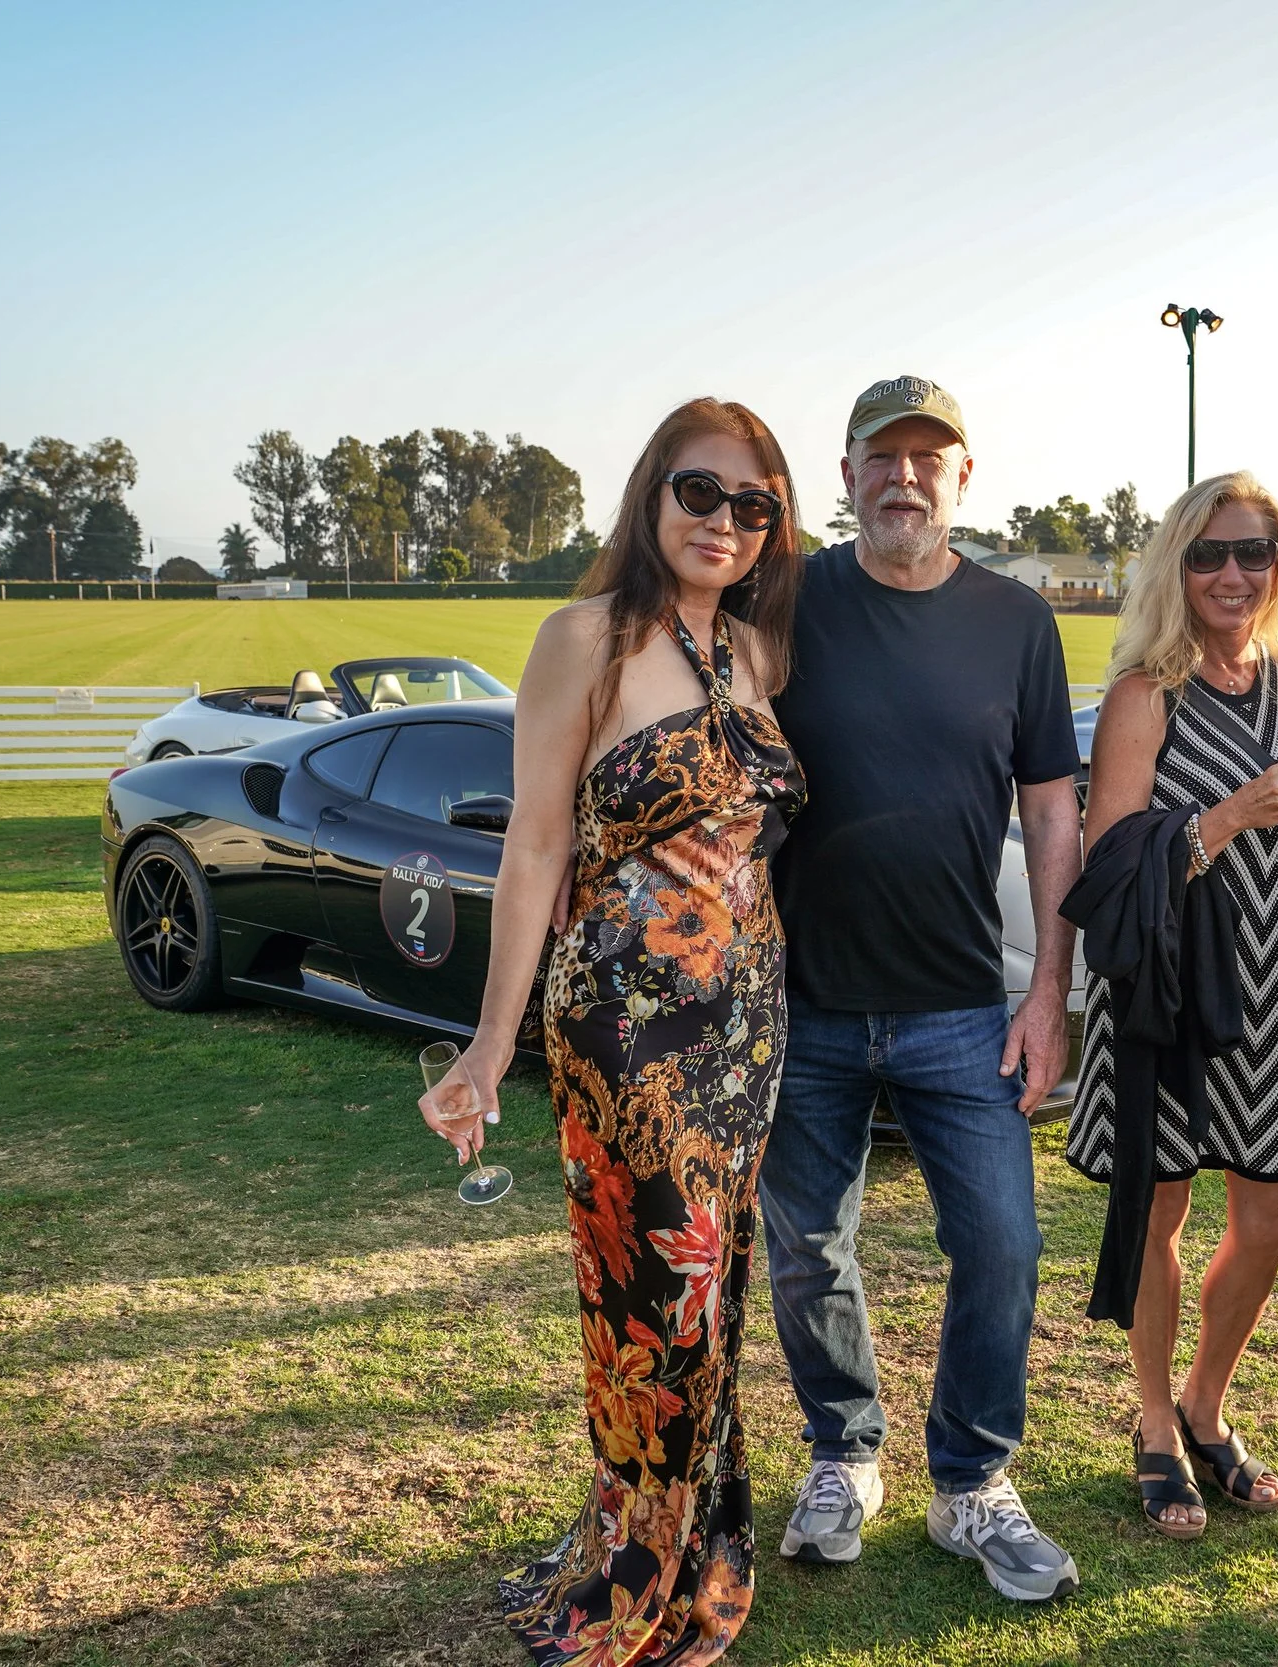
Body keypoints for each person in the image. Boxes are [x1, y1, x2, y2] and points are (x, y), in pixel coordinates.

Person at [417, 398, 807, 1665]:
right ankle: (642, 1564)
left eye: (756, 506)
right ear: (652, 494)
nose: (726, 523)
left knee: (714, 1290)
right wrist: (488, 1043)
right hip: (626, 1031)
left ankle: (691, 1543)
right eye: (703, 493)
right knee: (654, 1300)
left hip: (744, 1031)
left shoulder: (758, 655)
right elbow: (535, 844)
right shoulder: (580, 636)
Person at [758, 377, 1086, 1603]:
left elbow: (1053, 807)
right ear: (842, 476)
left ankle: (972, 1481)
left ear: (963, 478)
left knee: (1001, 1240)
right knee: (805, 1249)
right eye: (879, 457)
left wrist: (1046, 988)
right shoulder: (779, 603)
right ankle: (844, 1451)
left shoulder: (1016, 620)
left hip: (962, 1006)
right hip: (803, 1003)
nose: (903, 477)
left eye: (927, 458)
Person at [1064, 471, 1278, 1539]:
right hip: (1165, 989)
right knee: (1160, 1207)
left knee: (1271, 1211)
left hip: (1275, 985)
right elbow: (1106, 858)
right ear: (1177, 567)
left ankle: (1206, 1402)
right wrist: (1234, 813)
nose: (1232, 573)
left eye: (1253, 553)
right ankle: (1151, 1423)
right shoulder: (1148, 690)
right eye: (1209, 554)